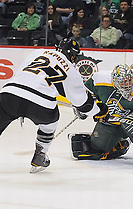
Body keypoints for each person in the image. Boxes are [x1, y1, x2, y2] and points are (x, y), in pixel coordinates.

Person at [0, 38, 108, 173]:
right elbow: (83, 103)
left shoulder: (38, 52)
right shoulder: (70, 69)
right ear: (73, 55)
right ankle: (40, 155)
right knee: (51, 121)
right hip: (40, 104)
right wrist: (98, 111)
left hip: (10, 93)